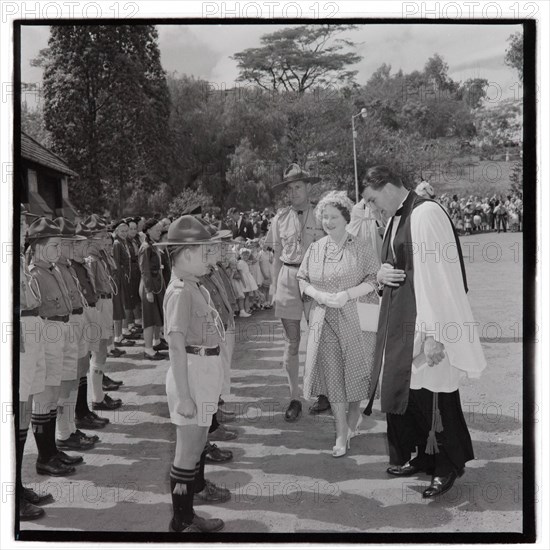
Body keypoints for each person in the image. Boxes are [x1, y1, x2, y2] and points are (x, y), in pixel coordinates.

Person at [362, 165, 486, 499]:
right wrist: (382, 274)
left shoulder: (426, 213)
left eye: (373, 200)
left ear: (387, 187)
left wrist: (435, 334)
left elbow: (439, 277)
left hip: (428, 323)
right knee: (409, 394)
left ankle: (446, 467)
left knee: (434, 397)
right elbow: (399, 266)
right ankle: (421, 456)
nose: (373, 209)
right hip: (403, 322)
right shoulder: (394, 219)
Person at [155, 215, 230, 532]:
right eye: (203, 253)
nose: (210, 260)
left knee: (198, 444)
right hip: (190, 372)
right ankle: (181, 517)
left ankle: (187, 513)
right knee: (186, 453)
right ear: (185, 254)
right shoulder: (180, 292)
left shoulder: (194, 286)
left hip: (205, 369)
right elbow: (175, 346)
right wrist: (184, 396)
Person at [297, 191, 380, 457]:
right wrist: (317, 295)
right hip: (325, 320)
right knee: (333, 377)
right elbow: (302, 278)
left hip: (356, 318)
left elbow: (374, 279)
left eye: (334, 216)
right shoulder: (315, 248)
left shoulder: (361, 247)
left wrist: (348, 295)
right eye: (324, 217)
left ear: (346, 218)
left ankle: (355, 412)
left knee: (355, 371)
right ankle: (341, 433)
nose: (328, 221)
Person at [265, 163, 327, 421]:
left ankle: (323, 393)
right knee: (292, 342)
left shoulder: (323, 215)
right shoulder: (279, 219)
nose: (293, 193)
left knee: (321, 338)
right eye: (289, 189)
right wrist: (272, 285)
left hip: (316, 280)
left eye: (298, 187)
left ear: (309, 187)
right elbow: (277, 256)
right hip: (289, 280)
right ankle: (294, 397)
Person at [27, 217, 84, 477]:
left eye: (59, 245)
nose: (58, 250)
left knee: (56, 392)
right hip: (48, 330)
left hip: (62, 327)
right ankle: (44, 456)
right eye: (53, 245)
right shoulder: (34, 274)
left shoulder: (54, 269)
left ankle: (52, 451)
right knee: (45, 396)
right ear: (39, 246)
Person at [18, 206, 53, 520]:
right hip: (18, 336)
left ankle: (16, 485)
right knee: (17, 410)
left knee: (25, 408)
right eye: (19, 222)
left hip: (32, 328)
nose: (23, 228)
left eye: (23, 223)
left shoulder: (16, 258)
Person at [83, 215, 122, 411]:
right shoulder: (91, 259)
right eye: (101, 235)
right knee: (98, 350)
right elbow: (91, 288)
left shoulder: (100, 256)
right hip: (99, 303)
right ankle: (97, 398)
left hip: (106, 301)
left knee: (102, 350)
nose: (105, 239)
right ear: (91, 237)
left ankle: (99, 395)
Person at [139, 218, 166, 360]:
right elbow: (145, 271)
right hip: (149, 287)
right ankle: (148, 349)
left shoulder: (152, 245)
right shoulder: (146, 247)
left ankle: (154, 344)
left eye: (160, 230)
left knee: (155, 316)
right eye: (156, 230)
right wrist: (148, 291)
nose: (159, 232)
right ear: (148, 231)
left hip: (156, 285)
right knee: (149, 319)